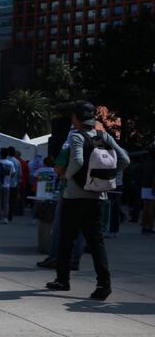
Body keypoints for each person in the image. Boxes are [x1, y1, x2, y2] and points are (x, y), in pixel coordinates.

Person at [46, 101, 129, 301]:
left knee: (67, 239)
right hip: (98, 196)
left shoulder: (76, 136)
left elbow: (78, 160)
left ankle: (62, 280)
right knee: (96, 241)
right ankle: (104, 284)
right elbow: (125, 160)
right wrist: (107, 176)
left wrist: (67, 176)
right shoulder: (104, 136)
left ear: (76, 118)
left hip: (75, 196)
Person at [0, 148, 16, 225]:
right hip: (7, 184)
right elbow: (13, 174)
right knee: (6, 202)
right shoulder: (10, 163)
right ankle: (5, 218)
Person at [141, 144, 155, 234]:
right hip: (152, 186)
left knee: (145, 208)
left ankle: (144, 226)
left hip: (144, 186)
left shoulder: (145, 162)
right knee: (151, 209)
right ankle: (149, 227)